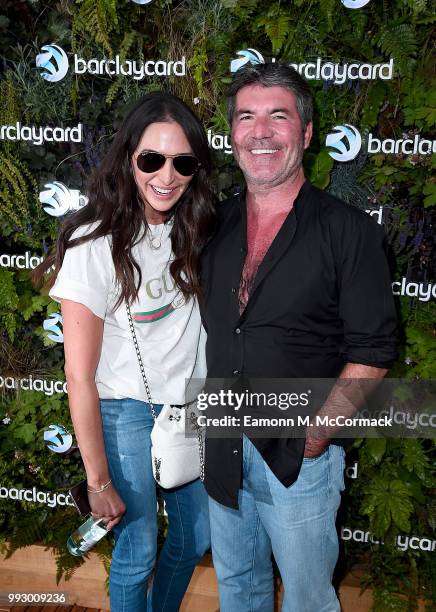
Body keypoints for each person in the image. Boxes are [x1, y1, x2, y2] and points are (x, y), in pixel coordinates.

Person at [199, 63, 398, 611]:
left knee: (309, 601)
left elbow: (374, 351)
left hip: (298, 462)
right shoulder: (212, 225)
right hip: (220, 445)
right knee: (238, 589)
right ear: (233, 133)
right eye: (246, 117)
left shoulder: (350, 233)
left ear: (306, 134)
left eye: (277, 116)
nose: (260, 131)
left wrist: (314, 439)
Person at [34, 91, 215, 612]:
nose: (167, 175)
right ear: (128, 158)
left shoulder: (197, 227)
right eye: (151, 159)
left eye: (182, 162)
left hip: (190, 408)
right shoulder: (94, 243)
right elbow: (80, 377)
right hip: (127, 411)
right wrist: (97, 481)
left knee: (193, 539)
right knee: (136, 553)